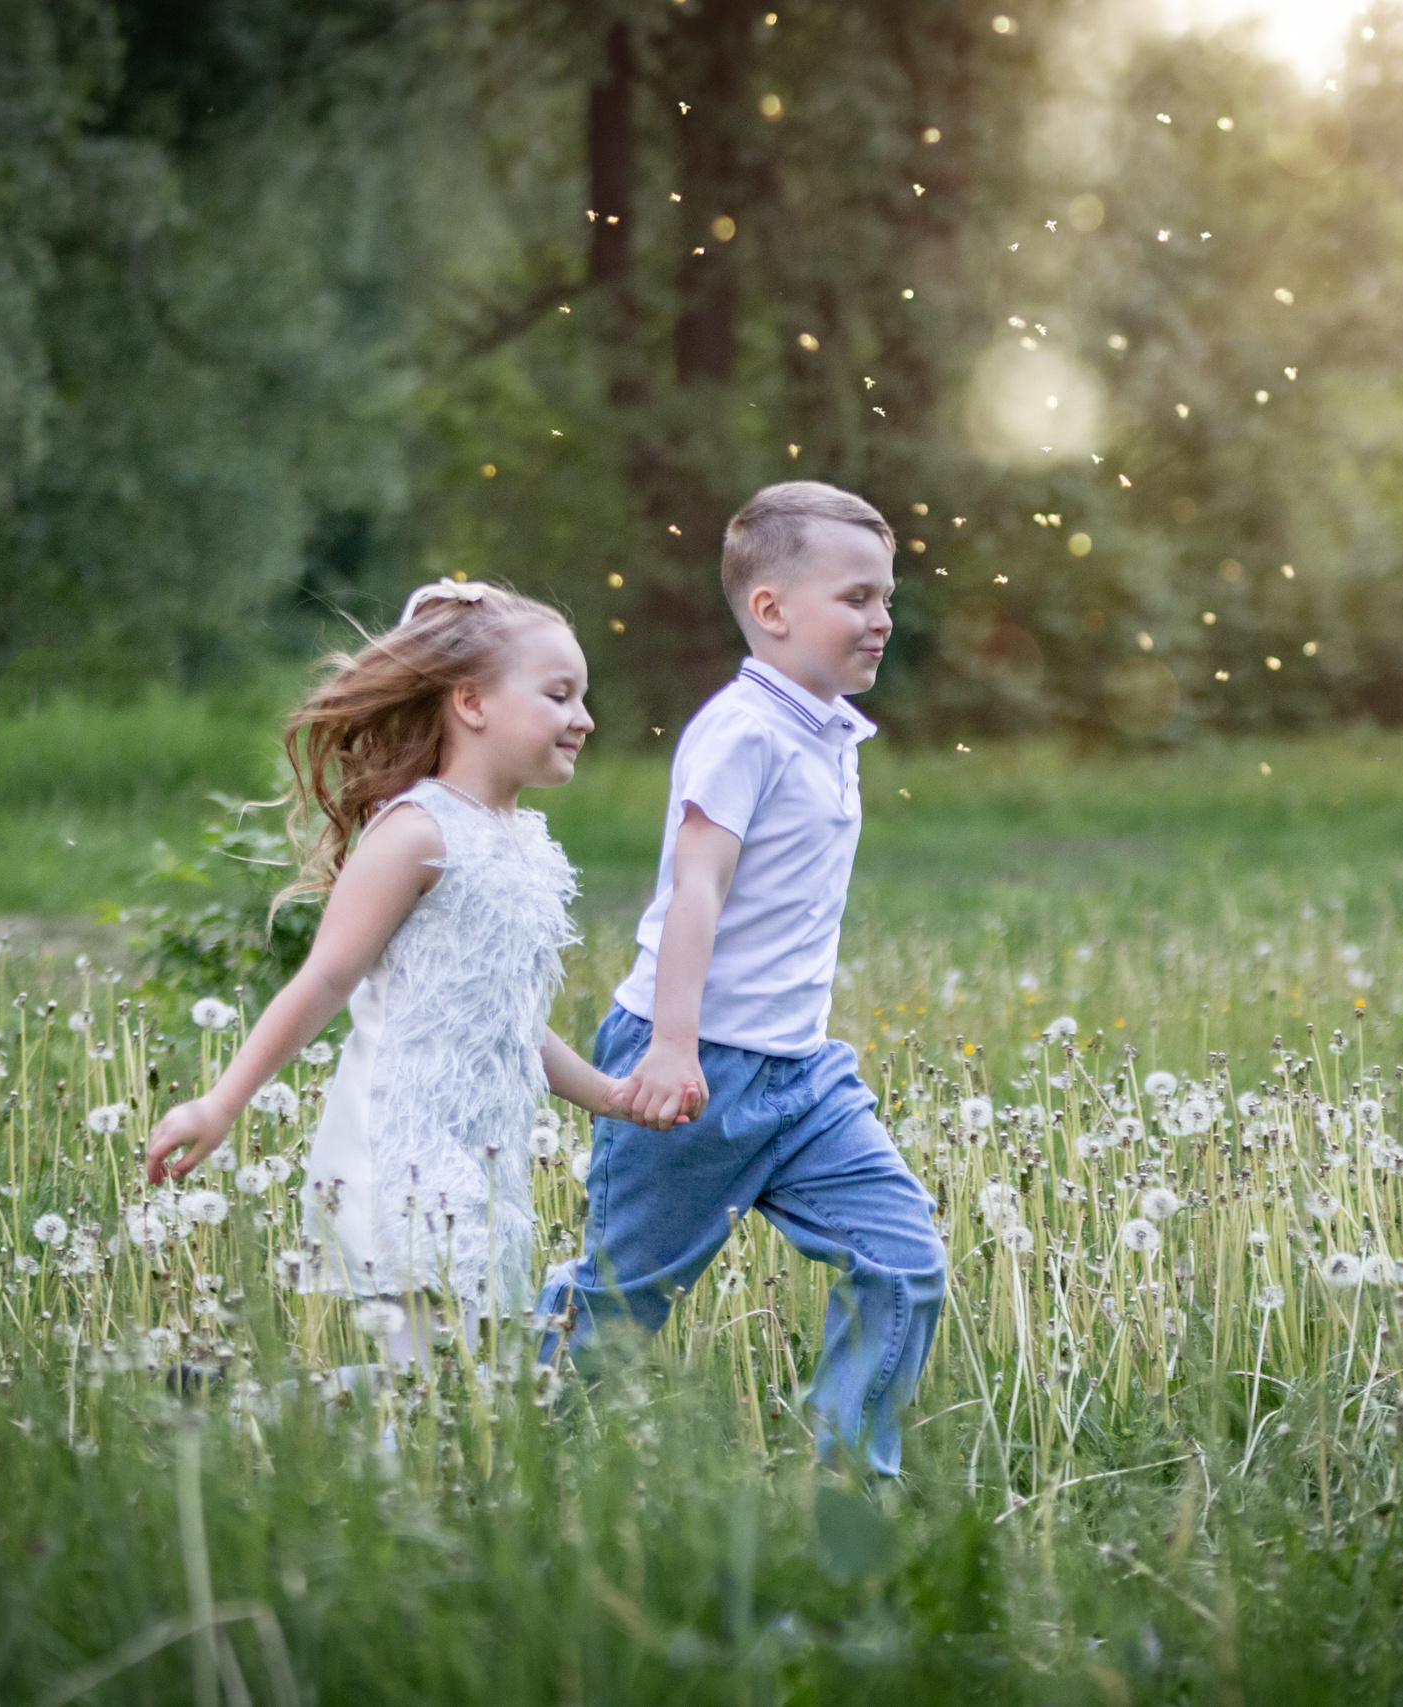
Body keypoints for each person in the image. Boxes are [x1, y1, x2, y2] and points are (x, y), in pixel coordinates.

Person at [144, 579, 663, 1369]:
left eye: (582, 696)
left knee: (462, 1384)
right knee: (431, 1382)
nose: (584, 717)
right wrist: (221, 1102)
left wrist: (608, 1096)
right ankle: (245, 1411)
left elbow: (507, 1017)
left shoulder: (525, 843)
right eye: (559, 694)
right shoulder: (416, 833)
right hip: (404, 1143)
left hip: (489, 1147)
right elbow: (323, 980)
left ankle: (247, 1405)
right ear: (472, 702)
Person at [539, 480, 947, 1477]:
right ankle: (512, 1446)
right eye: (855, 597)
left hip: (802, 1078)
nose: (882, 618)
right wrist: (674, 1048)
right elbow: (696, 890)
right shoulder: (743, 731)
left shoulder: (824, 728)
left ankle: (849, 1484)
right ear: (771, 610)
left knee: (903, 1261)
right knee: (617, 1317)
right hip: (696, 1066)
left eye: (886, 596)